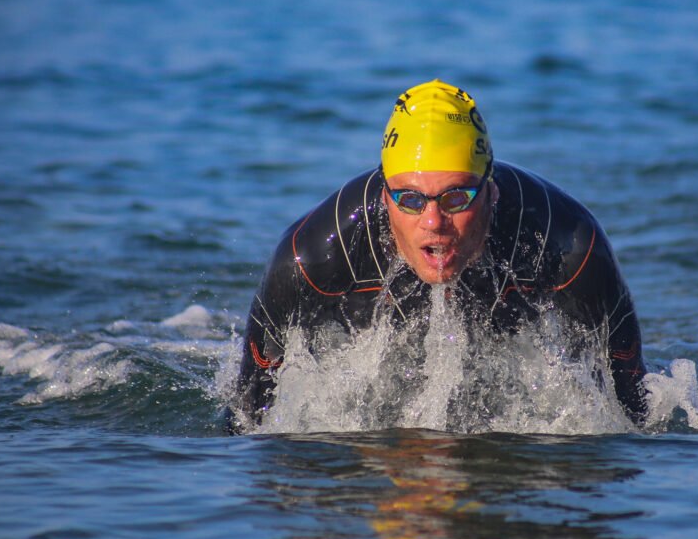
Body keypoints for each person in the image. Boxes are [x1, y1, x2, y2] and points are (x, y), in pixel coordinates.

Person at [234, 79, 646, 432]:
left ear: (491, 191)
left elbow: (634, 416)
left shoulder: (570, 250)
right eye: (410, 199)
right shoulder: (312, 258)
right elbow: (246, 421)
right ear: (385, 197)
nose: (433, 222)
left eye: (456, 197)